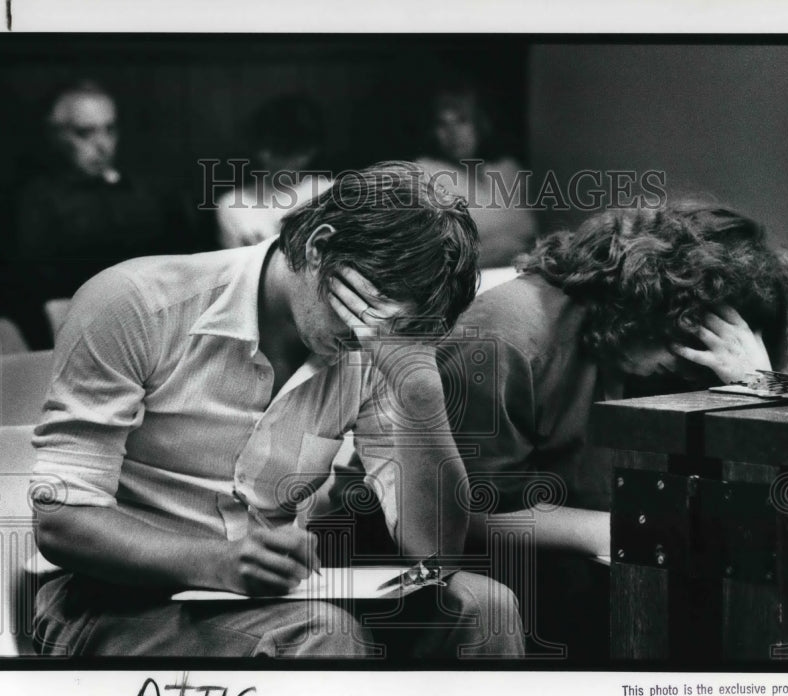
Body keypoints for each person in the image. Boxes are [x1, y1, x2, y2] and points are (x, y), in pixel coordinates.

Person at [30, 162, 524, 659]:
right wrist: (216, 562)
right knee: (321, 633)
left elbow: (434, 552)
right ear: (319, 247)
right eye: (368, 311)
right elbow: (61, 521)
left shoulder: (378, 343)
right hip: (111, 600)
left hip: (275, 600)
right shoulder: (135, 303)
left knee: (485, 608)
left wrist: (422, 398)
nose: (368, 338)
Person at [439, 202, 788, 660]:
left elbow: (779, 501)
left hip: (603, 559)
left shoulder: (671, 362)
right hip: (487, 568)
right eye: (694, 336)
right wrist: (622, 531)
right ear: (645, 300)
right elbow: (459, 514)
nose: (699, 365)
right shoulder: (507, 334)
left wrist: (760, 387)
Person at [10, 80, 194, 348]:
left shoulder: (146, 190)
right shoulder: (37, 198)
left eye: (110, 130)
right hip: (83, 335)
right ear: (56, 135)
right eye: (85, 133)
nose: (103, 145)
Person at [416, 84, 536, 269]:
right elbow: (436, 256)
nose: (453, 133)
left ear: (481, 123)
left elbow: (531, 233)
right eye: (442, 124)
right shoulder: (425, 173)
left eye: (462, 120)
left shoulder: (508, 169)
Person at [215, 94, 332, 250]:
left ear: (307, 152)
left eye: (278, 148)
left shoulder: (333, 195)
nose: (265, 156)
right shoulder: (231, 204)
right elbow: (235, 270)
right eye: (262, 145)